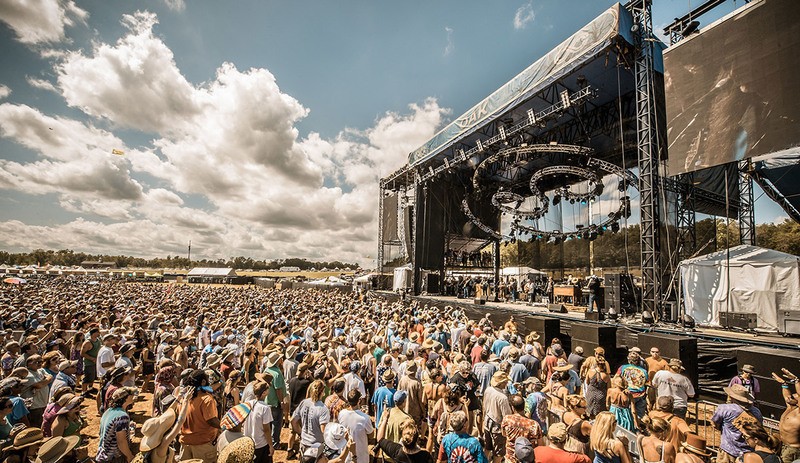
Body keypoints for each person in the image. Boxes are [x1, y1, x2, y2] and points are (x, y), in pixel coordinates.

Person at [711, 384, 763, 463]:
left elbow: (715, 423)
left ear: (732, 397)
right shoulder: (756, 412)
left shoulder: (725, 409)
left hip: (728, 450)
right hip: (748, 452)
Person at [138, 387, 191, 463]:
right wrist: (186, 401)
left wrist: (179, 397)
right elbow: (180, 422)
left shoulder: (151, 442)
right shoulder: (162, 446)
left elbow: (168, 411)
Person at [179, 369, 220, 463]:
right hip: (202, 445)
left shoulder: (184, 399)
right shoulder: (207, 399)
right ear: (203, 381)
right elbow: (211, 420)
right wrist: (224, 425)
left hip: (185, 443)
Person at [290, 379, 330, 461]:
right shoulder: (323, 409)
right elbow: (324, 431)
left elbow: (293, 421)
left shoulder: (304, 403)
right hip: (316, 447)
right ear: (322, 392)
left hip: (304, 443)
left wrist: (300, 433)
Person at [96, 387, 137, 463]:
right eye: (132, 394)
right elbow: (121, 442)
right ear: (126, 398)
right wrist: (129, 455)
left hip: (103, 455)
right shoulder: (122, 416)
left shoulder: (108, 411)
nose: (134, 396)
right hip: (114, 458)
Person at [500, 394, 541, 463]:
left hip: (510, 458)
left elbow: (504, 434)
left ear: (512, 407)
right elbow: (540, 444)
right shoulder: (534, 424)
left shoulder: (507, 419)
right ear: (524, 406)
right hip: (527, 459)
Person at [772, 368, 800, 463]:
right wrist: (784, 384)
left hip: (793, 450)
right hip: (783, 445)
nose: (789, 397)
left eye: (793, 396)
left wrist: (796, 380)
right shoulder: (790, 407)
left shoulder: (798, 414)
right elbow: (786, 396)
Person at [483, 371, 512, 463]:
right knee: (498, 454)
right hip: (498, 428)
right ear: (502, 383)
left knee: (487, 448)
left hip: (487, 423)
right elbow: (507, 416)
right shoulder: (502, 398)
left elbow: (484, 406)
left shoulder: (488, 390)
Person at [338, 389, 374, 463]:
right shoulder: (365, 418)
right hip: (361, 457)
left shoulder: (341, 413)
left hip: (345, 456)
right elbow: (371, 435)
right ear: (359, 401)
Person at [242, 381, 274, 463]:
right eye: (267, 390)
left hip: (248, 443)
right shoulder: (265, 408)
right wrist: (271, 445)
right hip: (261, 445)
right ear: (263, 393)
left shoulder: (248, 404)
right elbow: (266, 429)